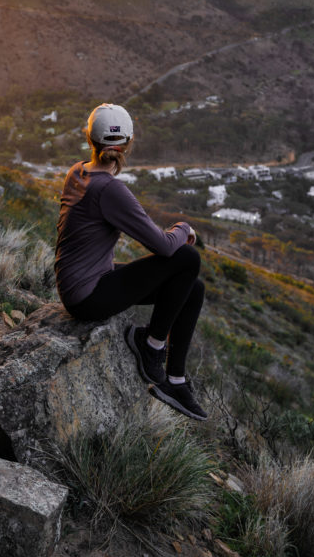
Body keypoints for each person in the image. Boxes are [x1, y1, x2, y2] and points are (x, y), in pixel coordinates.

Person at [55, 102, 207, 420]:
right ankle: (151, 345)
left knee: (193, 288)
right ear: (129, 143)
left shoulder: (78, 172)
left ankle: (175, 379)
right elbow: (165, 247)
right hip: (89, 297)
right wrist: (184, 228)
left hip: (82, 284)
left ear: (90, 139)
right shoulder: (110, 190)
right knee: (187, 257)